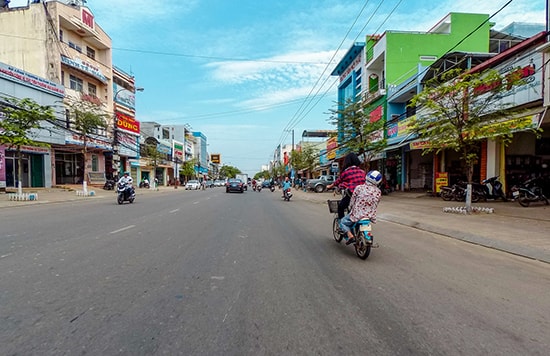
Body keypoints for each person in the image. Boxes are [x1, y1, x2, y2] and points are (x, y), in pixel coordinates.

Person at [339, 170, 382, 245]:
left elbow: (352, 201)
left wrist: (351, 207)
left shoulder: (359, 188)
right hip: (370, 215)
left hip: (358, 214)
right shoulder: (378, 191)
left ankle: (350, 236)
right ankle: (368, 236)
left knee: (343, 222)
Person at [326, 152, 366, 220]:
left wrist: (330, 186)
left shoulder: (346, 172)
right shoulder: (362, 172)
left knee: (341, 207)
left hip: (351, 194)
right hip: (363, 195)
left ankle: (342, 224)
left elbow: (338, 181)